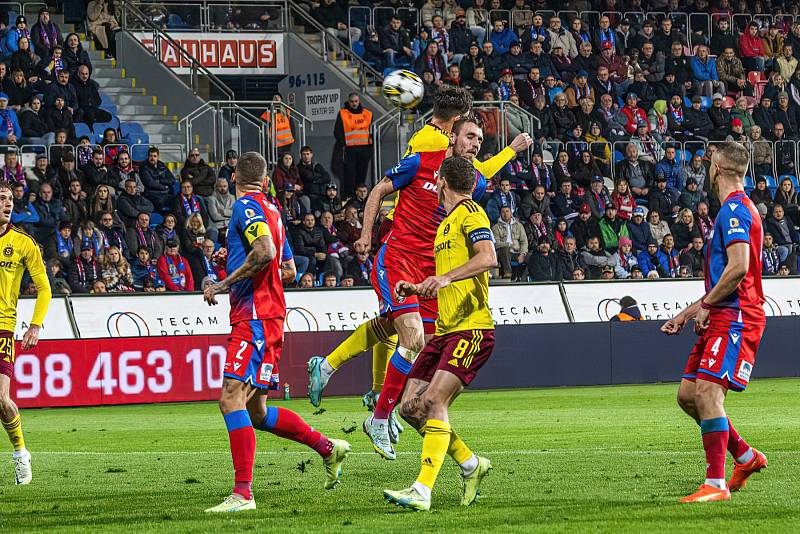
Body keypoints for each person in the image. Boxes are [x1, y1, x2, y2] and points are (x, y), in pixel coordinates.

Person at [305, 87, 527, 416]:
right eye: (469, 137)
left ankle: (368, 387)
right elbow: (395, 183)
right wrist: (511, 150)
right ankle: (376, 402)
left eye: (478, 140)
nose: (474, 146)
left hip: (425, 254)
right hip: (401, 240)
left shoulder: (441, 146)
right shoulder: (430, 146)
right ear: (452, 131)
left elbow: (477, 174)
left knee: (398, 326)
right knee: (408, 331)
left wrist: (509, 152)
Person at [201, 152, 350, 513]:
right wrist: (234, 260)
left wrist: (223, 283)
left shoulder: (245, 207)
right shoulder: (273, 212)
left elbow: (264, 252)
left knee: (229, 398)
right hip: (269, 315)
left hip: (253, 316)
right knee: (256, 412)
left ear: (234, 176)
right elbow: (287, 271)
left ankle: (242, 494)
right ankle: (329, 448)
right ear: (266, 179)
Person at [383, 155, 494, 511]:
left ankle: (422, 490)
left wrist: (444, 278)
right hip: (446, 332)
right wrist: (416, 288)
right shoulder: (444, 224)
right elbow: (448, 277)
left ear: (442, 182)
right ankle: (470, 464)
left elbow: (488, 257)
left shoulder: (471, 213)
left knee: (433, 402)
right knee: (410, 408)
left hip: (472, 329)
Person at [661, 142, 767, 503]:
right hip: (722, 312)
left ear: (718, 167)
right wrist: (687, 313)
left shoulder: (734, 211)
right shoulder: (732, 210)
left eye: (709, 162)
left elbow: (738, 268)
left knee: (708, 394)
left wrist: (706, 304)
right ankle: (746, 457)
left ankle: (716, 484)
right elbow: (726, 277)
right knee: (689, 396)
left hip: (736, 318)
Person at [0, 179, 51, 485]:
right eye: (1, 198)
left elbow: (44, 288)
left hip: (3, 328)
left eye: (9, 199)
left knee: (2, 399)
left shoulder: (23, 243)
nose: (7, 204)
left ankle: (20, 454)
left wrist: (35, 324)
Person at [334, 93, 373, 198]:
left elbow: (372, 131)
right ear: (348, 101)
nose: (354, 103)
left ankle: (360, 196)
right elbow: (337, 131)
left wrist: (370, 146)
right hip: (350, 149)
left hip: (365, 148)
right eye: (352, 101)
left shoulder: (367, 114)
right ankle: (350, 196)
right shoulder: (343, 113)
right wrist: (344, 143)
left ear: (359, 101)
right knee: (350, 174)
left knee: (362, 174)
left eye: (356, 101)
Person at [492, 206, 527, 280]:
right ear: (500, 214)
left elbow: (524, 241)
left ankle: (525, 277)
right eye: (503, 212)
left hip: (518, 252)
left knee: (533, 256)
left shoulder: (519, 225)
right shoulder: (496, 227)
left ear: (511, 213)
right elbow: (496, 243)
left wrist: (523, 253)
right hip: (504, 253)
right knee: (504, 249)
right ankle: (508, 274)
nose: (505, 214)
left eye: (507, 211)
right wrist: (509, 245)